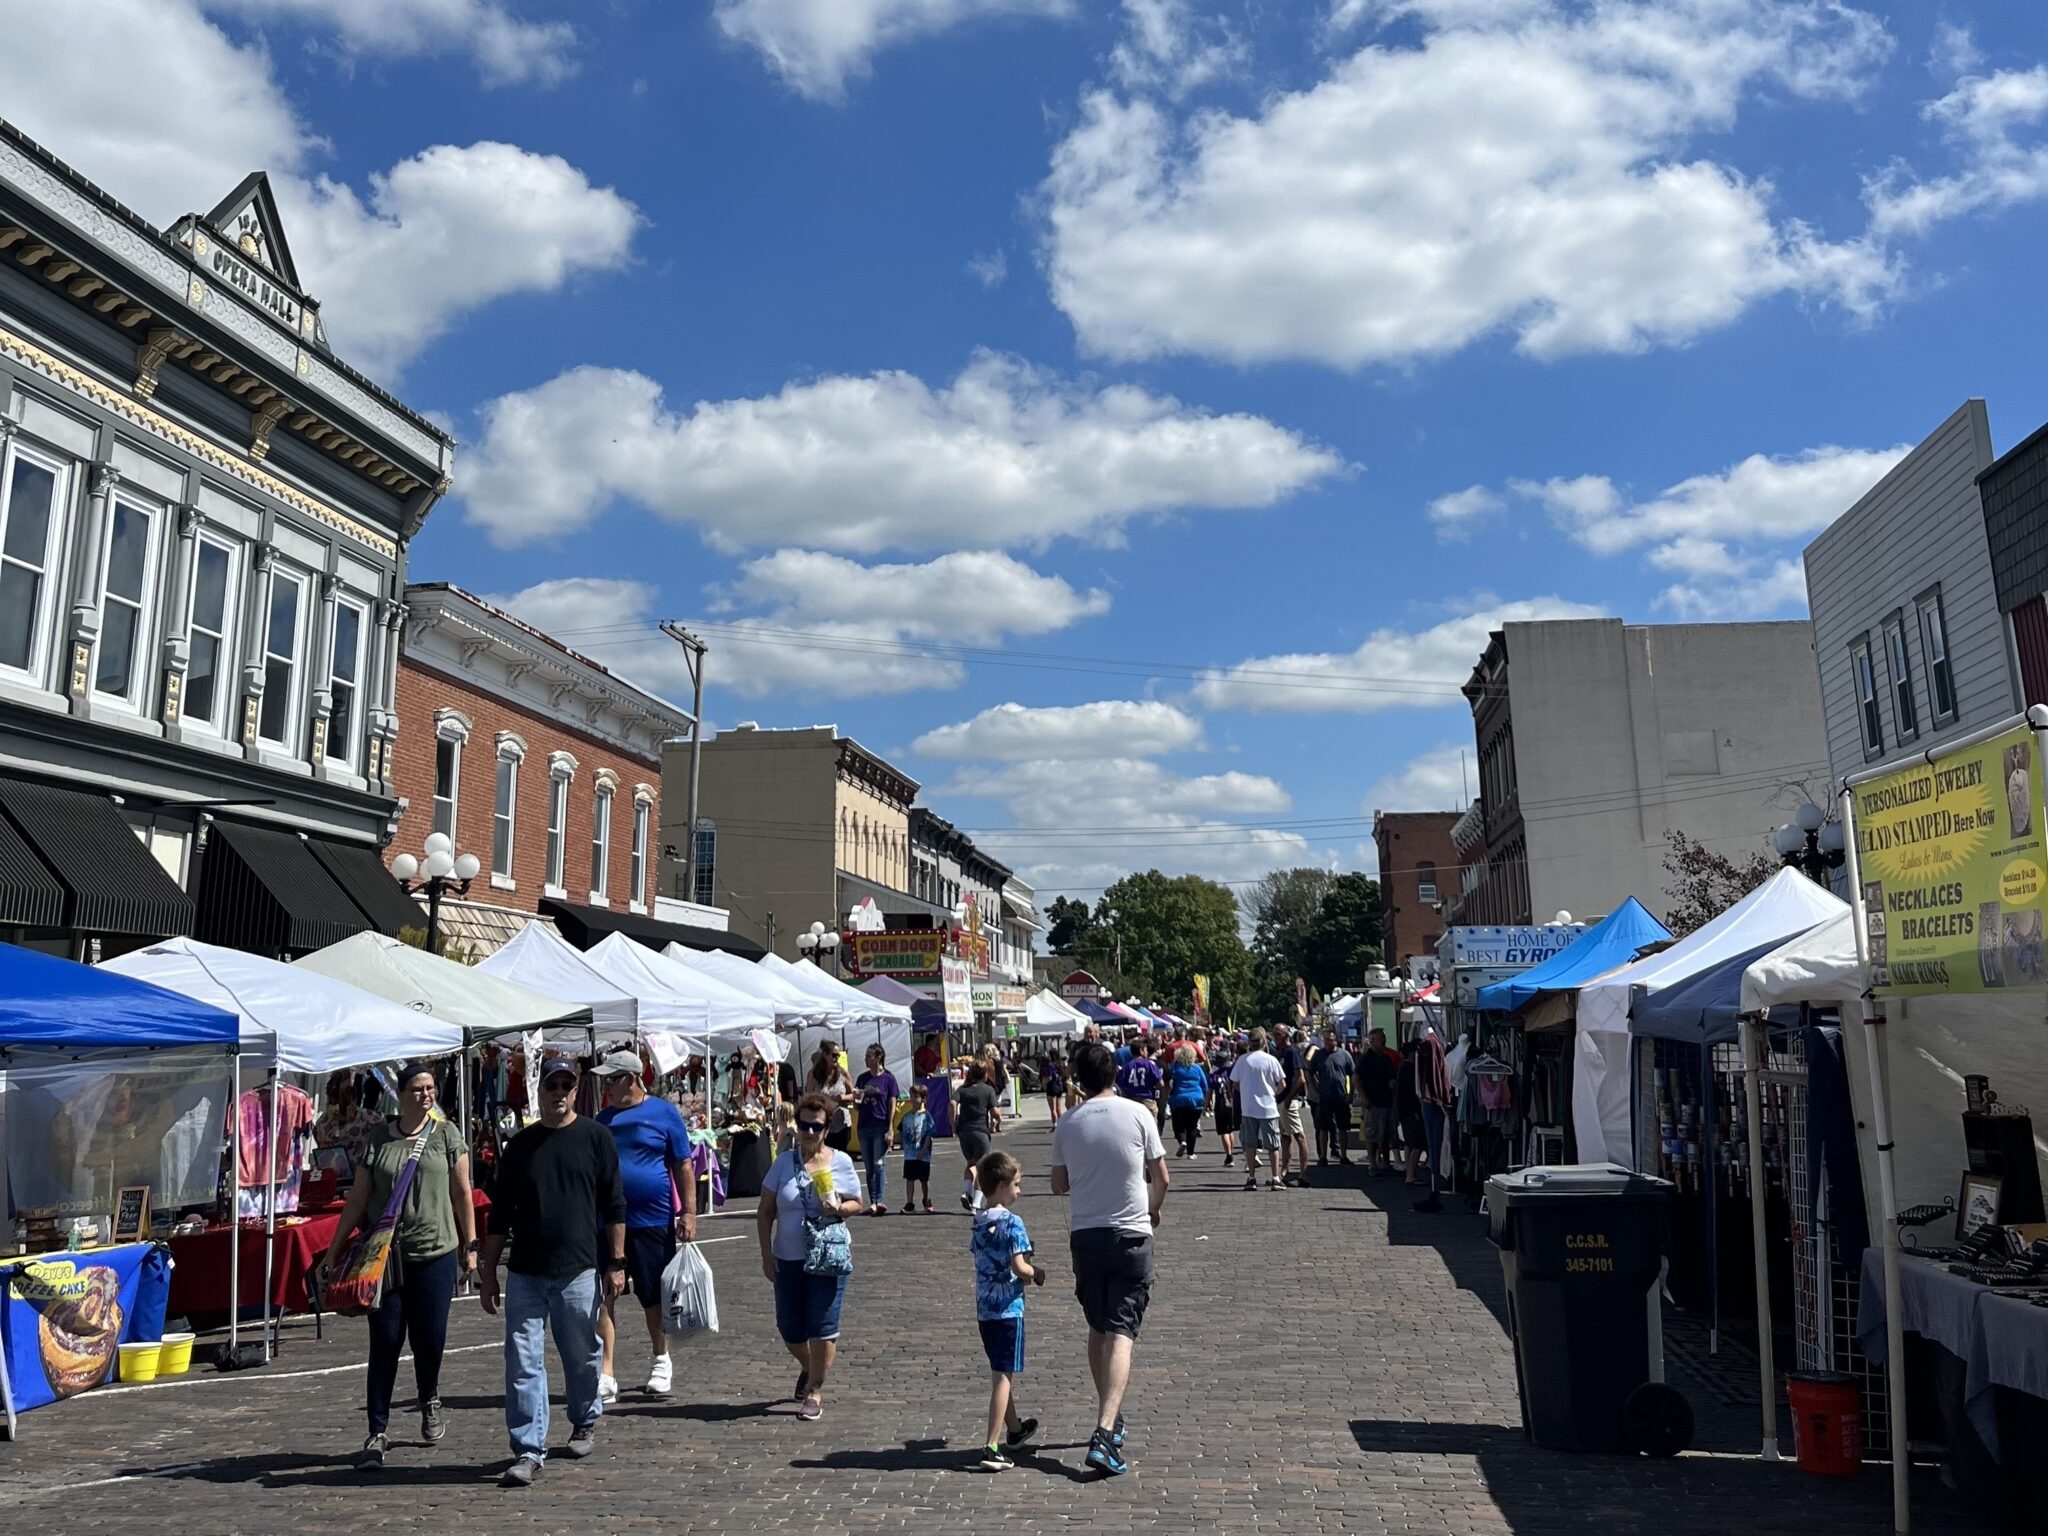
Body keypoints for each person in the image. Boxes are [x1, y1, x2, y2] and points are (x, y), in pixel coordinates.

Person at [321, 1060, 476, 1473]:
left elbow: (463, 1192)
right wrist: (335, 1248)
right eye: (418, 1089)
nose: (426, 1096)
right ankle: (377, 1429)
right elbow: (358, 1197)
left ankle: (429, 1398)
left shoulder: (446, 1134)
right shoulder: (378, 1138)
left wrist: (470, 1244)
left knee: (430, 1339)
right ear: (401, 1094)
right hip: (385, 1258)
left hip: (435, 1252)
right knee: (386, 1341)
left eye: (431, 1089)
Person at [479, 1054, 626, 1488]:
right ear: (538, 1092)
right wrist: (489, 1272)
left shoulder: (596, 1138)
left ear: (576, 1090)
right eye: (551, 1086)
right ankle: (528, 1449)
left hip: (578, 1269)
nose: (558, 1093)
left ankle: (584, 1417)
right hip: (525, 1271)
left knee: (581, 1356)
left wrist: (616, 1262)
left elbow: (614, 1204)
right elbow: (499, 1216)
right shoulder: (520, 1146)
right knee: (523, 1361)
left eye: (566, 1086)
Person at [1050, 1041, 1166, 1477]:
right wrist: (1153, 1208)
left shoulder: (1067, 1121)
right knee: (1121, 1332)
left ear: (1078, 1080)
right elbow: (1162, 1176)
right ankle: (1104, 1429)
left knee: (1099, 1327)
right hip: (1132, 1235)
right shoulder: (1139, 1114)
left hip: (1087, 1235)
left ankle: (1110, 1419)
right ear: (1114, 1074)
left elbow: (1059, 1184)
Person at [591, 1050, 696, 1402]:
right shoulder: (601, 1120)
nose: (606, 1086)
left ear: (632, 1079)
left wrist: (689, 1213)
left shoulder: (664, 1113)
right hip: (607, 1222)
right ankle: (606, 1370)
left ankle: (660, 1358)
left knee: (653, 1295)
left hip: (653, 1218)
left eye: (612, 1079)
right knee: (605, 1296)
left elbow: (683, 1165)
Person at [756, 1092, 863, 1421]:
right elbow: (765, 1211)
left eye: (815, 1127)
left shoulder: (841, 1162)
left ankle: (814, 1390)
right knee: (789, 1328)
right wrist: (765, 1253)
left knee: (822, 1326)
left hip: (828, 1258)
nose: (808, 1132)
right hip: (788, 1258)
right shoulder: (783, 1163)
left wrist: (839, 1208)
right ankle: (811, 1366)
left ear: (826, 1128)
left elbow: (858, 1203)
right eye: (803, 1125)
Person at [969, 1151, 1044, 1471]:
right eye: (1015, 1184)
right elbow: (1019, 1266)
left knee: (1000, 1369)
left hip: (985, 1307)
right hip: (1008, 1308)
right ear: (1000, 1186)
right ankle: (991, 1444)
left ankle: (1015, 1430)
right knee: (1002, 1376)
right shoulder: (1013, 1223)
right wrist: (1035, 1273)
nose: (1019, 1190)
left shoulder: (978, 1222)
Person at [1228, 1029, 1287, 1192]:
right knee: (1273, 1145)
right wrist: (1272, 1092)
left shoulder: (1242, 1060)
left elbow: (1235, 1083)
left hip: (1248, 1107)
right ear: (1264, 1042)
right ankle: (1275, 1176)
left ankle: (1251, 1177)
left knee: (1250, 1143)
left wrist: (1246, 1091)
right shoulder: (1271, 1060)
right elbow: (1282, 1084)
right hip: (1268, 1108)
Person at [853, 1043, 900, 1217]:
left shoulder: (888, 1079)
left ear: (878, 1057)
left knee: (879, 1163)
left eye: (869, 1056)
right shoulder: (863, 1078)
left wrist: (890, 1129)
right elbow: (856, 1105)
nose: (866, 1059)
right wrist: (857, 1099)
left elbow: (892, 1104)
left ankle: (879, 1200)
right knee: (868, 1165)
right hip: (864, 1125)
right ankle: (873, 1201)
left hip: (881, 1125)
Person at [313, 1070, 382, 1171]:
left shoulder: (366, 1117)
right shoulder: (323, 1122)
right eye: (337, 1099)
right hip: (332, 1175)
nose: (343, 1103)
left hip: (358, 1177)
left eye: (348, 1096)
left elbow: (385, 1130)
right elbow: (320, 1146)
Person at [954, 1061, 1001, 1211]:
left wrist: (953, 1121)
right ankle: (976, 1201)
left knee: (970, 1162)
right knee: (982, 1167)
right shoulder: (988, 1090)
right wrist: (998, 1120)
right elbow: (995, 1112)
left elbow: (951, 1103)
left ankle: (967, 1191)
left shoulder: (963, 1090)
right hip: (980, 1131)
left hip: (964, 1132)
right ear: (985, 1074)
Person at [1271, 1025, 1309, 1186]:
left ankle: (1303, 1173)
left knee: (1299, 1135)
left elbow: (1300, 1078)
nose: (1274, 1037)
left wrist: (1289, 1098)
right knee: (1285, 1137)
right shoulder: (1279, 1052)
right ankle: (1284, 1172)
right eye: (1274, 1034)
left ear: (1285, 1035)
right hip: (1279, 1100)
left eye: (1277, 1034)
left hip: (1288, 1101)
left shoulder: (1291, 1052)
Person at [1311, 1030, 1356, 1166]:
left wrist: (1351, 1093)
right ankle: (1323, 1157)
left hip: (1341, 1097)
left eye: (1330, 1040)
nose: (1328, 1043)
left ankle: (1343, 1156)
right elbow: (1310, 1072)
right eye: (1325, 1040)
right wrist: (1314, 1089)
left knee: (1343, 1127)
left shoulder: (1345, 1055)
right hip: (1324, 1097)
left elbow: (1353, 1075)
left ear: (1336, 1040)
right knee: (1323, 1127)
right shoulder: (1319, 1055)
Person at [1358, 1028, 1399, 1174]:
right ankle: (1373, 1164)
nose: (1384, 1040)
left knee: (1386, 1134)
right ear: (1373, 1040)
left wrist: (1392, 1082)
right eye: (1381, 1038)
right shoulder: (1366, 1058)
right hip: (1372, 1102)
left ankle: (1386, 1163)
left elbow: (1392, 1076)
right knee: (1372, 1134)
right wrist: (1364, 1097)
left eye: (1384, 1037)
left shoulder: (1387, 1058)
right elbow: (1357, 1078)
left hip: (1386, 1100)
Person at [1164, 1046, 1210, 1158]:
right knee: (1192, 1127)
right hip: (1196, 1099)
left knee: (1178, 1125)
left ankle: (1182, 1141)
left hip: (1178, 1099)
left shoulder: (1174, 1067)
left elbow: (1168, 1083)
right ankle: (1191, 1153)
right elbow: (1204, 1085)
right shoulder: (1197, 1068)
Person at [896, 1083, 936, 1212]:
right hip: (909, 1154)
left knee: (924, 1179)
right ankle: (909, 1202)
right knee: (910, 1178)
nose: (913, 1099)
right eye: (911, 1096)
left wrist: (924, 1150)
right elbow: (900, 1133)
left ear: (923, 1099)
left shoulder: (927, 1117)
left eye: (916, 1096)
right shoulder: (907, 1116)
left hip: (923, 1154)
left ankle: (926, 1199)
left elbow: (929, 1136)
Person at [808, 1045, 856, 1152]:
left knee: (840, 1157)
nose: (836, 1058)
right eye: (834, 1055)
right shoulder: (814, 1075)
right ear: (825, 1055)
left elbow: (854, 1095)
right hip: (821, 1124)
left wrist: (841, 1097)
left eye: (838, 1055)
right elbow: (808, 1097)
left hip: (841, 1123)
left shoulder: (843, 1073)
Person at [1210, 1040, 1240, 1165]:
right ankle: (1231, 1152)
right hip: (1232, 1102)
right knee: (1230, 1130)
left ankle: (1229, 1155)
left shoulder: (1214, 1075)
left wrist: (1208, 1104)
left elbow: (1209, 1091)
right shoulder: (1231, 1073)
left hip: (1220, 1102)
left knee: (1223, 1132)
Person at [1114, 1042, 1163, 1119]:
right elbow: (1161, 1083)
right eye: (1146, 1050)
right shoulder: (1150, 1064)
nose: (1147, 1052)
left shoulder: (1126, 1067)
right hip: (1147, 1101)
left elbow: (1121, 1086)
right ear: (1141, 1051)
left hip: (1132, 1102)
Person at [1039, 1049, 1066, 1125]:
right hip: (1059, 1086)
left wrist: (1043, 1083)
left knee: (1053, 1109)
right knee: (1058, 1108)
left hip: (1052, 1087)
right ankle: (1061, 1124)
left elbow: (1049, 1077)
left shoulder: (1050, 1065)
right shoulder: (1060, 1064)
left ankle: (1054, 1124)